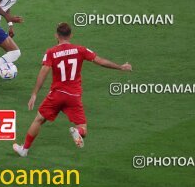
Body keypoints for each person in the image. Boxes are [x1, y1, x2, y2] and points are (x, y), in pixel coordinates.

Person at [13, 22, 132, 157]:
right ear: (70, 35)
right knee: (83, 128)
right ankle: (78, 133)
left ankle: (25, 150)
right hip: (73, 96)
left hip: (56, 94)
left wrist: (34, 94)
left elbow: (43, 73)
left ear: (56, 35)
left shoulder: (51, 52)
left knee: (39, 120)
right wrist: (120, 67)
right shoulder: (80, 49)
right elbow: (100, 61)